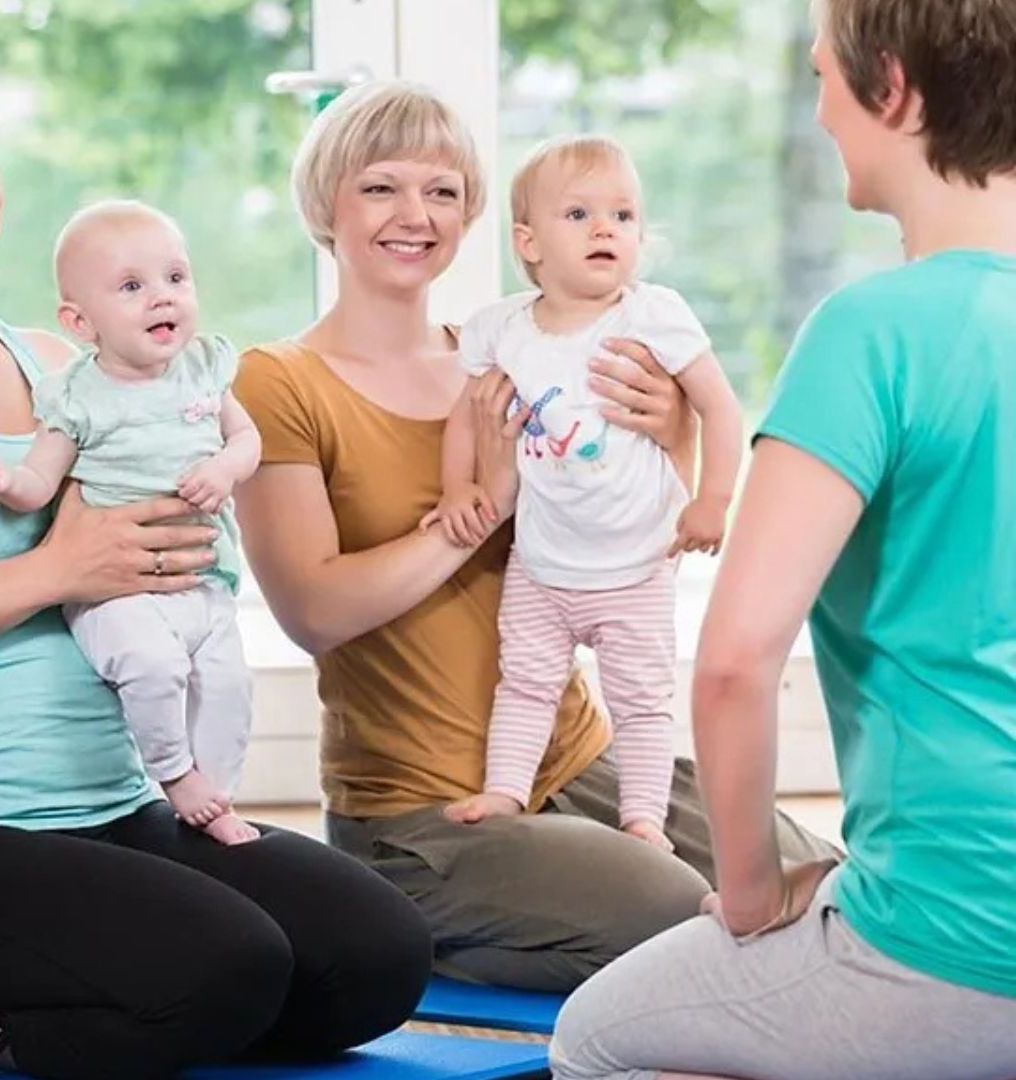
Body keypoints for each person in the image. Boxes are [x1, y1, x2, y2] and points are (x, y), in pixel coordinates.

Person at [0, 33, 431, 1080]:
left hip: (114, 805)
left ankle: (105, 998)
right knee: (229, 966)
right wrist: (55, 570)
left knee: (376, 955)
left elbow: (152, 527)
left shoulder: (63, 359)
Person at [231, 81, 836, 993]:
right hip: (417, 812)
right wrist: (492, 498)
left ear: (475, 212)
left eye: (441, 191)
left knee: (816, 881)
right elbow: (313, 610)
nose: (415, 215)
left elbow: (635, 518)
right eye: (380, 188)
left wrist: (670, 429)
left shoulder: (517, 350)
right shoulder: (278, 381)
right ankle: (415, 933)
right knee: (680, 914)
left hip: (576, 757)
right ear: (327, 204)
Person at [549, 1, 1016, 1075]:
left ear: (889, 87)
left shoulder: (873, 330)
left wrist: (754, 892)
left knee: (593, 1043)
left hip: (959, 947)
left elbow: (734, 662)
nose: (819, 111)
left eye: (823, 78)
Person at [428, 135, 744, 852]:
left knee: (641, 702)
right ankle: (507, 790)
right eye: (579, 214)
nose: (607, 229)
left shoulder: (651, 316)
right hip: (542, 565)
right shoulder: (504, 329)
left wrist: (712, 501)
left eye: (624, 215)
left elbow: (720, 409)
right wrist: (458, 487)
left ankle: (644, 820)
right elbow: (465, 414)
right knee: (526, 683)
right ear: (528, 241)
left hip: (636, 564)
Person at [0, 200, 262, 846]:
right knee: (152, 668)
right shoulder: (78, 396)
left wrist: (227, 468)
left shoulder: (203, 369)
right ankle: (175, 775)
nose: (162, 299)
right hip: (116, 594)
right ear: (79, 321)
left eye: (176, 279)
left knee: (230, 682)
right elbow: (40, 481)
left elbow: (247, 438)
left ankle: (219, 793)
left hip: (203, 580)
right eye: (132, 287)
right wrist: (4, 481)